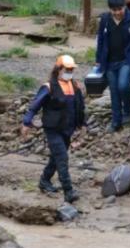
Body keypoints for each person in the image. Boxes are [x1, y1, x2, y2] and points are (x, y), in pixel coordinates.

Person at [21, 55, 86, 203]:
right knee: (62, 158)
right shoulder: (48, 87)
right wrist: (26, 123)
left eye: (71, 69)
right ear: (59, 69)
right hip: (53, 129)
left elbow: (80, 108)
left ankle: (45, 180)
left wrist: (83, 126)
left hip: (67, 129)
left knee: (56, 157)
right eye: (67, 69)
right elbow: (35, 106)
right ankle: (68, 191)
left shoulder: (75, 87)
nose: (69, 72)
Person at [95, 0, 130, 133]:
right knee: (114, 91)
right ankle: (116, 121)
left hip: (127, 59)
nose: (117, 12)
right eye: (114, 10)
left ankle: (127, 111)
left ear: (124, 7)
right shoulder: (105, 19)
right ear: (110, 9)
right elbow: (101, 40)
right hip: (109, 61)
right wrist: (98, 59)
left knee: (123, 86)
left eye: (120, 9)